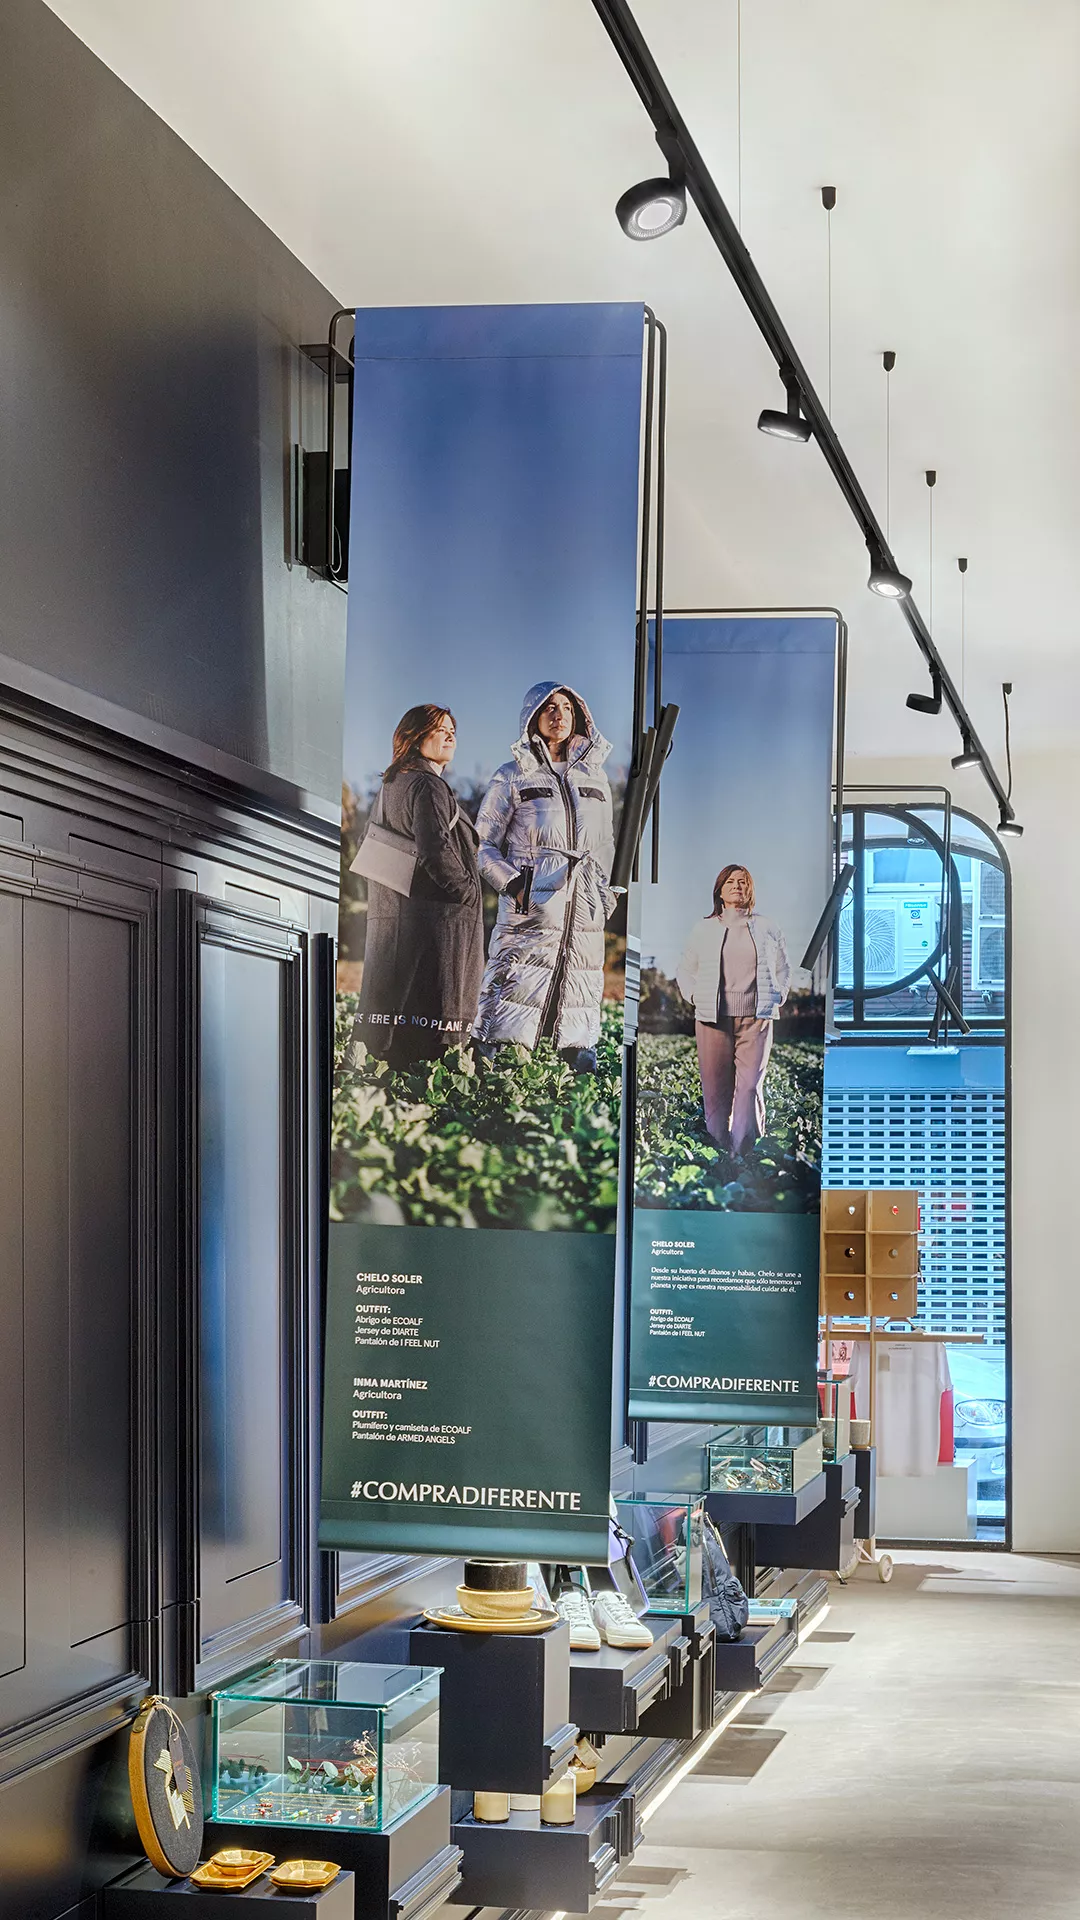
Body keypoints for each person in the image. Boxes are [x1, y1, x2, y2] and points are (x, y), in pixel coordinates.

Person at [472, 681, 616, 1072]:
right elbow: (481, 843)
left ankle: (577, 1061)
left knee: (580, 981)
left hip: (584, 907)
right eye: (549, 707)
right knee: (512, 983)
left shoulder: (596, 778)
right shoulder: (512, 775)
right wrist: (514, 885)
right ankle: (491, 1063)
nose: (559, 715)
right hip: (530, 905)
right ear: (533, 717)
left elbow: (606, 845)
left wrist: (607, 895)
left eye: (567, 708)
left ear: (579, 716)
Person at [346, 704, 483, 1069]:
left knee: (395, 1043)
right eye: (440, 729)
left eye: (453, 730)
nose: (450, 735)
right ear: (415, 736)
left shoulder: (392, 785)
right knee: (435, 1038)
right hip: (437, 925)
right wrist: (468, 892)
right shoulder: (427, 784)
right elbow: (435, 848)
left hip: (396, 922)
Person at [676, 864, 790, 1154]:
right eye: (730, 881)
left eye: (743, 881)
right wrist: (694, 996)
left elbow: (783, 967)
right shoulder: (703, 928)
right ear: (720, 891)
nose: (737, 886)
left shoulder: (767, 926)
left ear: (750, 889)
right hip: (712, 1020)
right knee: (716, 1091)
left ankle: (744, 1153)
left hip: (756, 1019)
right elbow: (685, 970)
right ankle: (717, 1153)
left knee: (750, 1087)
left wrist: (780, 994)